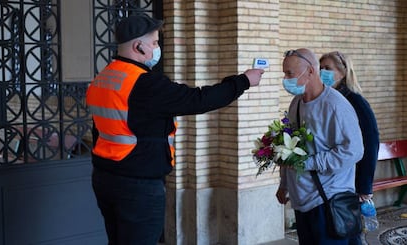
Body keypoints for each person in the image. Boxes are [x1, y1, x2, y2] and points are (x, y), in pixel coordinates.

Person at [85, 14, 264, 245]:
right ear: (138, 47)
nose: (157, 48)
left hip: (105, 177)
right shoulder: (144, 83)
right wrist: (244, 81)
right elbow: (198, 99)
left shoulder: (103, 77)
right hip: (137, 186)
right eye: (155, 43)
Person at [275, 48, 364, 245]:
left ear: (310, 72)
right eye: (284, 73)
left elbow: (354, 151)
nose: (285, 79)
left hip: (328, 202)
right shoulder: (296, 103)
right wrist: (284, 184)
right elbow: (288, 147)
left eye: (289, 73)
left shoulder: (336, 105)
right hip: (302, 201)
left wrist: (310, 162)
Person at [320, 51, 380, 245]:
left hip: (352, 182)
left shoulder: (355, 101)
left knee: (349, 231)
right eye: (320, 68)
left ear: (343, 72)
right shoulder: (326, 99)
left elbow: (370, 144)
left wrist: (364, 186)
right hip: (333, 179)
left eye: (328, 69)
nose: (322, 73)